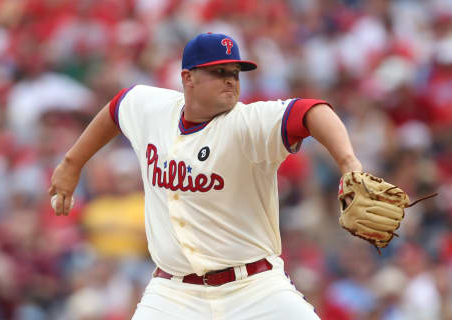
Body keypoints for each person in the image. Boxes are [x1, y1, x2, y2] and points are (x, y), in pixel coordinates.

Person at [49, 32, 362, 319]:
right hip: (173, 292)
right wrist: (71, 163)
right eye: (219, 72)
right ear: (188, 78)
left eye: (235, 74)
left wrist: (349, 162)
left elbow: (311, 111)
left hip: (254, 288)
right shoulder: (152, 108)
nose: (230, 82)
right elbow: (117, 107)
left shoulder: (248, 123)